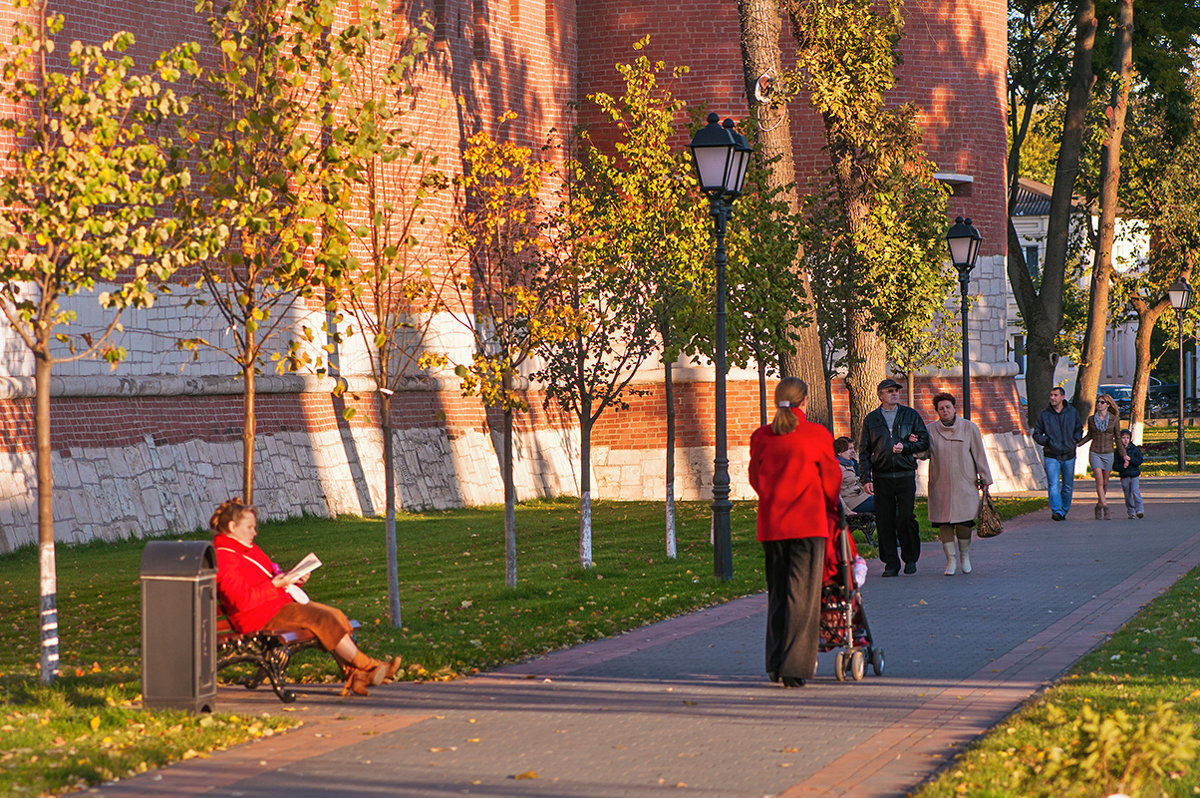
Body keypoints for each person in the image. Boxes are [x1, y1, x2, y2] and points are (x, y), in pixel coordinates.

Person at [211, 498, 401, 696]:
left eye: (254, 527)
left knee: (333, 615)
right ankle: (369, 666)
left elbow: (269, 578)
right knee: (324, 618)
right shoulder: (224, 557)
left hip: (276, 607)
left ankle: (357, 675)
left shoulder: (247, 549)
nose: (254, 532)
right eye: (249, 527)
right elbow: (241, 600)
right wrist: (275, 584)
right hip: (259, 617)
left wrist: (294, 577)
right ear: (232, 526)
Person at [749, 377, 841, 688]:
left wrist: (773, 499)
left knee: (777, 594)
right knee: (801, 596)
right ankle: (793, 666)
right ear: (804, 401)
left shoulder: (761, 436)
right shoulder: (817, 434)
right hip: (807, 524)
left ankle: (774, 663)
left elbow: (755, 478)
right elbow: (831, 479)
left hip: (773, 525)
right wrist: (828, 505)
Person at [859, 378, 930, 577]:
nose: (894, 394)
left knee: (906, 517)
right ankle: (890, 563)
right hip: (881, 476)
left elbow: (924, 441)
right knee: (885, 520)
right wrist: (866, 478)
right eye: (890, 391)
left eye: (897, 391)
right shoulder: (872, 419)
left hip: (905, 474)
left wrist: (905, 447)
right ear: (880, 394)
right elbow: (864, 451)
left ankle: (910, 558)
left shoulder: (910, 415)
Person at [924, 392, 993, 576]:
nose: (945, 411)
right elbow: (922, 453)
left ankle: (964, 557)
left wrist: (985, 479)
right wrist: (909, 446)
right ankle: (951, 561)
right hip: (940, 485)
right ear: (937, 411)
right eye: (941, 408)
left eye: (948, 407)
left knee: (964, 523)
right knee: (943, 523)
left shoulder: (969, 428)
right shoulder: (930, 430)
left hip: (965, 484)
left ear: (954, 408)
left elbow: (979, 454)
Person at [1031, 386, 1084, 521]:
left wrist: (1074, 440)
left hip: (1069, 454)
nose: (1052, 398)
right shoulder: (1045, 414)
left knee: (1067, 485)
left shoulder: (1072, 412)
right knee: (1053, 484)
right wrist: (1046, 441)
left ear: (1062, 397)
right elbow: (1036, 433)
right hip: (1051, 455)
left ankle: (1064, 510)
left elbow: (1079, 428)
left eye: (1055, 395)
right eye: (1051, 395)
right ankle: (1057, 510)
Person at [1077, 393, 1128, 520]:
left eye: (1102, 402)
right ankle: (1105, 505)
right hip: (1095, 452)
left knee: (1105, 482)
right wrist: (1078, 443)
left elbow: (1117, 438)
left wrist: (1124, 455)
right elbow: (1090, 435)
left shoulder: (1114, 419)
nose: (1099, 404)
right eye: (1098, 402)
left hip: (1109, 453)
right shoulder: (1091, 419)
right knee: (1099, 481)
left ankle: (1098, 505)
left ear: (1108, 405)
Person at [834, 437, 874, 515]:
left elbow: (857, 482)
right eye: (849, 449)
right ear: (839, 452)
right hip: (852, 503)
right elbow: (835, 494)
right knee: (885, 503)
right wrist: (847, 511)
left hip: (861, 497)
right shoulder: (836, 468)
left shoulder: (849, 463)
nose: (853, 451)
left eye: (853, 448)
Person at [1113, 429, 1144, 519]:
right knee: (1127, 494)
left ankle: (1139, 510)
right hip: (1124, 475)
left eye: (1127, 438)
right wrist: (1123, 467)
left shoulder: (1134, 449)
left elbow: (1139, 460)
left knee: (1135, 491)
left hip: (1134, 475)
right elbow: (1115, 466)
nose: (1125, 440)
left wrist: (1130, 460)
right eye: (1123, 438)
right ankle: (1131, 512)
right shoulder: (1118, 451)